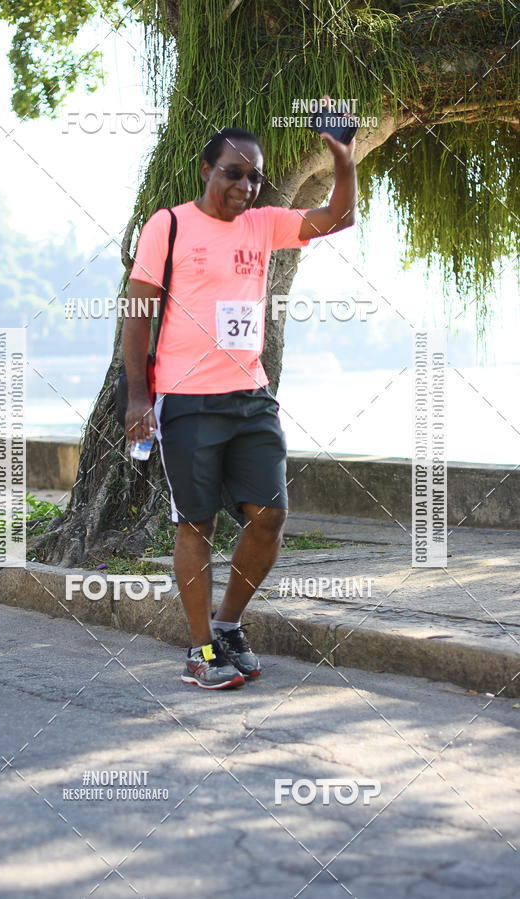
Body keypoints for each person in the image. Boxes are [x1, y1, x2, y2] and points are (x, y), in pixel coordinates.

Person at [123, 113, 357, 689]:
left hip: (251, 397)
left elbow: (338, 218)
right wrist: (137, 397)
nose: (245, 187)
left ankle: (228, 625)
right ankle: (200, 651)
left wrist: (344, 163)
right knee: (195, 524)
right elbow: (137, 310)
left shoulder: (262, 225)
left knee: (270, 515)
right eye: (233, 174)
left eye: (254, 178)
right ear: (207, 170)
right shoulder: (169, 226)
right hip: (187, 400)